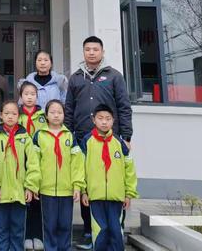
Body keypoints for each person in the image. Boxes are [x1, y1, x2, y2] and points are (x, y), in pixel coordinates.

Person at [65, 36, 133, 250]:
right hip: (84, 139)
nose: (91, 52)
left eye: (95, 49)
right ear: (83, 52)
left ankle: (115, 233)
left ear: (102, 52)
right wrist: (68, 136)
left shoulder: (114, 76)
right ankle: (89, 231)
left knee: (111, 183)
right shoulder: (76, 78)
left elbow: (124, 106)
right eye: (87, 49)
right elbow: (69, 109)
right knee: (88, 184)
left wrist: (127, 136)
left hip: (111, 139)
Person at [80, 104, 138, 251]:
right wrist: (83, 191)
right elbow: (79, 169)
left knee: (115, 230)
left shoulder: (120, 143)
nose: (104, 122)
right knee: (100, 230)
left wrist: (129, 193)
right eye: (100, 118)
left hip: (116, 197)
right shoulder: (87, 142)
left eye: (108, 119)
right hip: (95, 196)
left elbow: (129, 170)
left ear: (113, 121)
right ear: (94, 120)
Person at [0, 100, 40, 251]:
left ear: (19, 116)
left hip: (19, 193)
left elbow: (33, 164)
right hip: (1, 193)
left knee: (17, 230)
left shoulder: (25, 137)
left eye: (14, 114)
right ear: (1, 115)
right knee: (1, 230)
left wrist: (30, 186)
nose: (10, 117)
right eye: (7, 113)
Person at [33, 100, 85, 251]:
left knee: (64, 224)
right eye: (52, 112)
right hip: (46, 189)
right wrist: (34, 185)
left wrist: (77, 186)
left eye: (59, 112)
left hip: (66, 189)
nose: (56, 115)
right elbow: (34, 163)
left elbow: (77, 164)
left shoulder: (69, 136)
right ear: (46, 115)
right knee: (49, 225)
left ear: (64, 115)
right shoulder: (39, 136)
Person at [18, 81, 47, 250]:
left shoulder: (43, 115)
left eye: (32, 94)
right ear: (21, 97)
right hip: (20, 162)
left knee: (37, 201)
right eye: (26, 94)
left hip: (38, 163)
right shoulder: (17, 115)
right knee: (24, 200)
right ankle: (26, 235)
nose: (29, 97)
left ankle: (37, 234)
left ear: (37, 96)